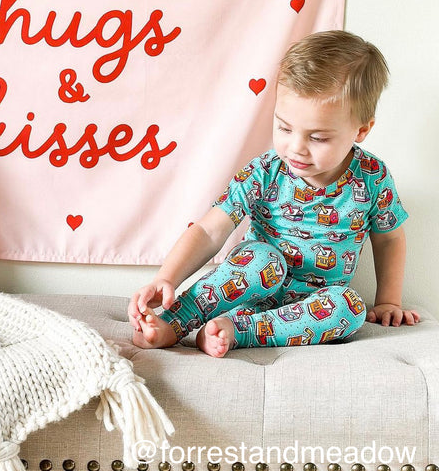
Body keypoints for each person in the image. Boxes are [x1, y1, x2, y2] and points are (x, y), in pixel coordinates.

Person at [128, 30, 419, 357]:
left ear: (361, 130)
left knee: (351, 307)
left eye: (318, 138)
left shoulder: (372, 177)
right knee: (262, 259)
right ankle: (172, 323)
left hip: (310, 311)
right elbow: (210, 230)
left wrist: (388, 300)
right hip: (248, 289)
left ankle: (235, 331)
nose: (296, 148)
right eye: (284, 127)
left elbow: (389, 239)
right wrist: (166, 278)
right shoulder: (265, 172)